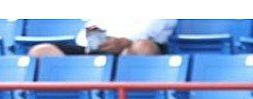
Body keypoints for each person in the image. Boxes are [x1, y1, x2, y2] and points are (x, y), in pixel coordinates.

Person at [28, 19, 176, 57]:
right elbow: (91, 25)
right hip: (99, 46)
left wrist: (124, 41)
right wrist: (93, 41)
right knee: (41, 52)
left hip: (134, 46)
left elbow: (157, 26)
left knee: (143, 48)